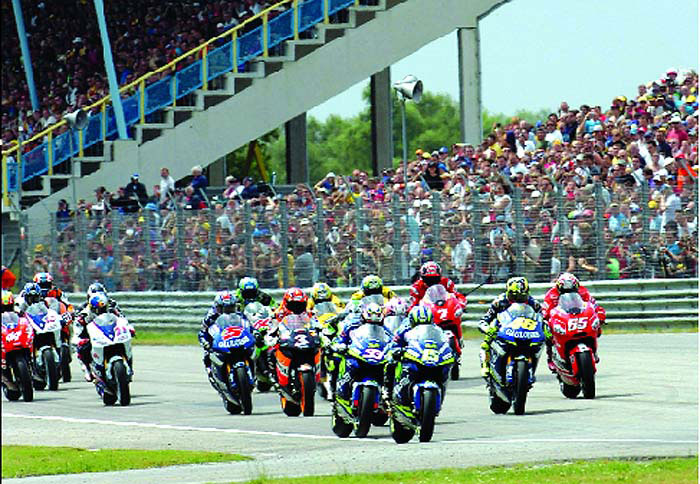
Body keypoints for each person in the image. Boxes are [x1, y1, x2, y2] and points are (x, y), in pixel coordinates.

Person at [477, 277, 544, 379]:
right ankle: (485, 364)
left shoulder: (533, 303)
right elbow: (485, 319)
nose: (518, 299)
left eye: (521, 296)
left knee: (541, 343)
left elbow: (542, 318)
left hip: (525, 330)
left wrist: (545, 329)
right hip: (503, 329)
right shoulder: (499, 301)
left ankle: (532, 368)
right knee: (486, 342)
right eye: (514, 296)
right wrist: (487, 328)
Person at [331, 302, 390, 403]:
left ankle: (387, 393)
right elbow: (340, 339)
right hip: (357, 354)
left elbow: (393, 340)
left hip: (377, 356)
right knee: (336, 358)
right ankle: (334, 388)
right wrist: (340, 345)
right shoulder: (352, 325)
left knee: (391, 366)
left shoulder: (385, 329)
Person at [197, 290, 238, 393]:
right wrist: (206, 343)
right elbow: (202, 333)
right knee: (207, 356)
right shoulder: (210, 317)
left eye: (231, 308)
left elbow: (246, 325)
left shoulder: (238, 315)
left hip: (235, 339)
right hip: (218, 342)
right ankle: (212, 375)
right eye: (225, 308)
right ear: (218, 307)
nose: (228, 311)